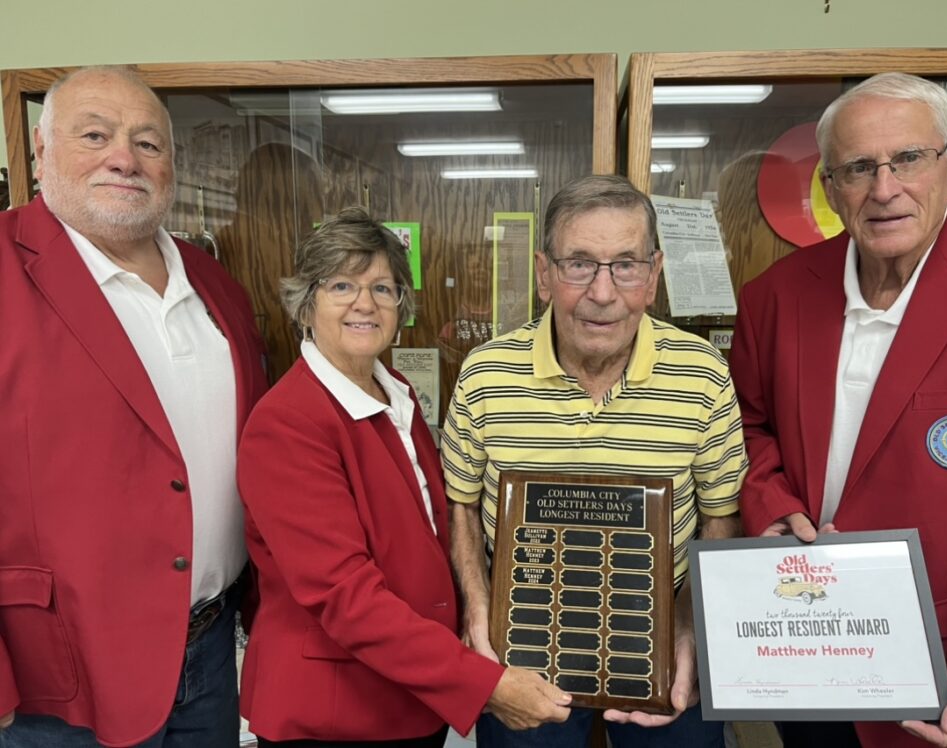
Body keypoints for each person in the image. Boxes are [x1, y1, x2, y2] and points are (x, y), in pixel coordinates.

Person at [730, 72, 947, 748]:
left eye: (908, 160)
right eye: (858, 168)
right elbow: (746, 426)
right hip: (805, 648)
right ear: (831, 189)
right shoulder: (774, 296)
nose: (884, 188)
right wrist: (767, 500)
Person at [0, 67, 268, 746]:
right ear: (41, 149)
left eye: (148, 143)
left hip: (209, 653)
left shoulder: (215, 284)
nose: (124, 157)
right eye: (95, 135)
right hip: (55, 681)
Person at [235, 208, 571, 746]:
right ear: (306, 303)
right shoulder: (287, 424)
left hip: (407, 695)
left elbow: (429, 532)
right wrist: (483, 684)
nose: (365, 303)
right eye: (342, 284)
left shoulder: (393, 391)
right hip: (336, 713)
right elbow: (346, 598)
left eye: (383, 288)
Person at [442, 174, 747, 748]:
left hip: (659, 647)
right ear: (543, 273)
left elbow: (720, 513)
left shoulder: (703, 373)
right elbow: (460, 503)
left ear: (653, 275)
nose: (603, 293)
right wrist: (477, 616)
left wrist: (689, 629)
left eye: (626, 265)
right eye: (578, 264)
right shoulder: (485, 375)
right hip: (523, 650)